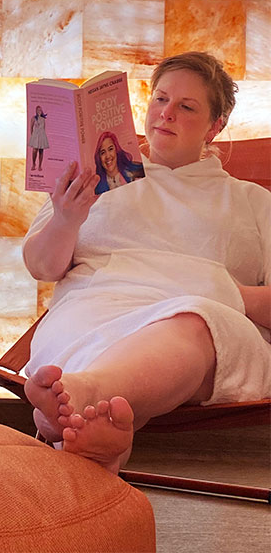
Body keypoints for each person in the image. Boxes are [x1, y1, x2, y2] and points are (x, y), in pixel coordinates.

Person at [21, 51, 271, 474]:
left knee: (194, 319)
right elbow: (42, 268)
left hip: (203, 331)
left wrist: (217, 291)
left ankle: (85, 397)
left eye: (186, 107)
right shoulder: (98, 177)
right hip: (91, 311)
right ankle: (103, 437)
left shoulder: (252, 203)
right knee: (102, 411)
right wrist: (67, 218)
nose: (166, 114)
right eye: (160, 99)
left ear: (216, 125)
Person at [28, 105, 49, 171]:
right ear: (36, 111)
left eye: (40, 110)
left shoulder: (43, 119)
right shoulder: (33, 118)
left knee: (41, 151)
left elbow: (43, 128)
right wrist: (32, 136)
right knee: (34, 150)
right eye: (38, 110)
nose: (39, 111)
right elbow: (31, 127)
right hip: (35, 135)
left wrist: (43, 136)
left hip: (42, 135)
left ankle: (40, 166)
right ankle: (34, 164)